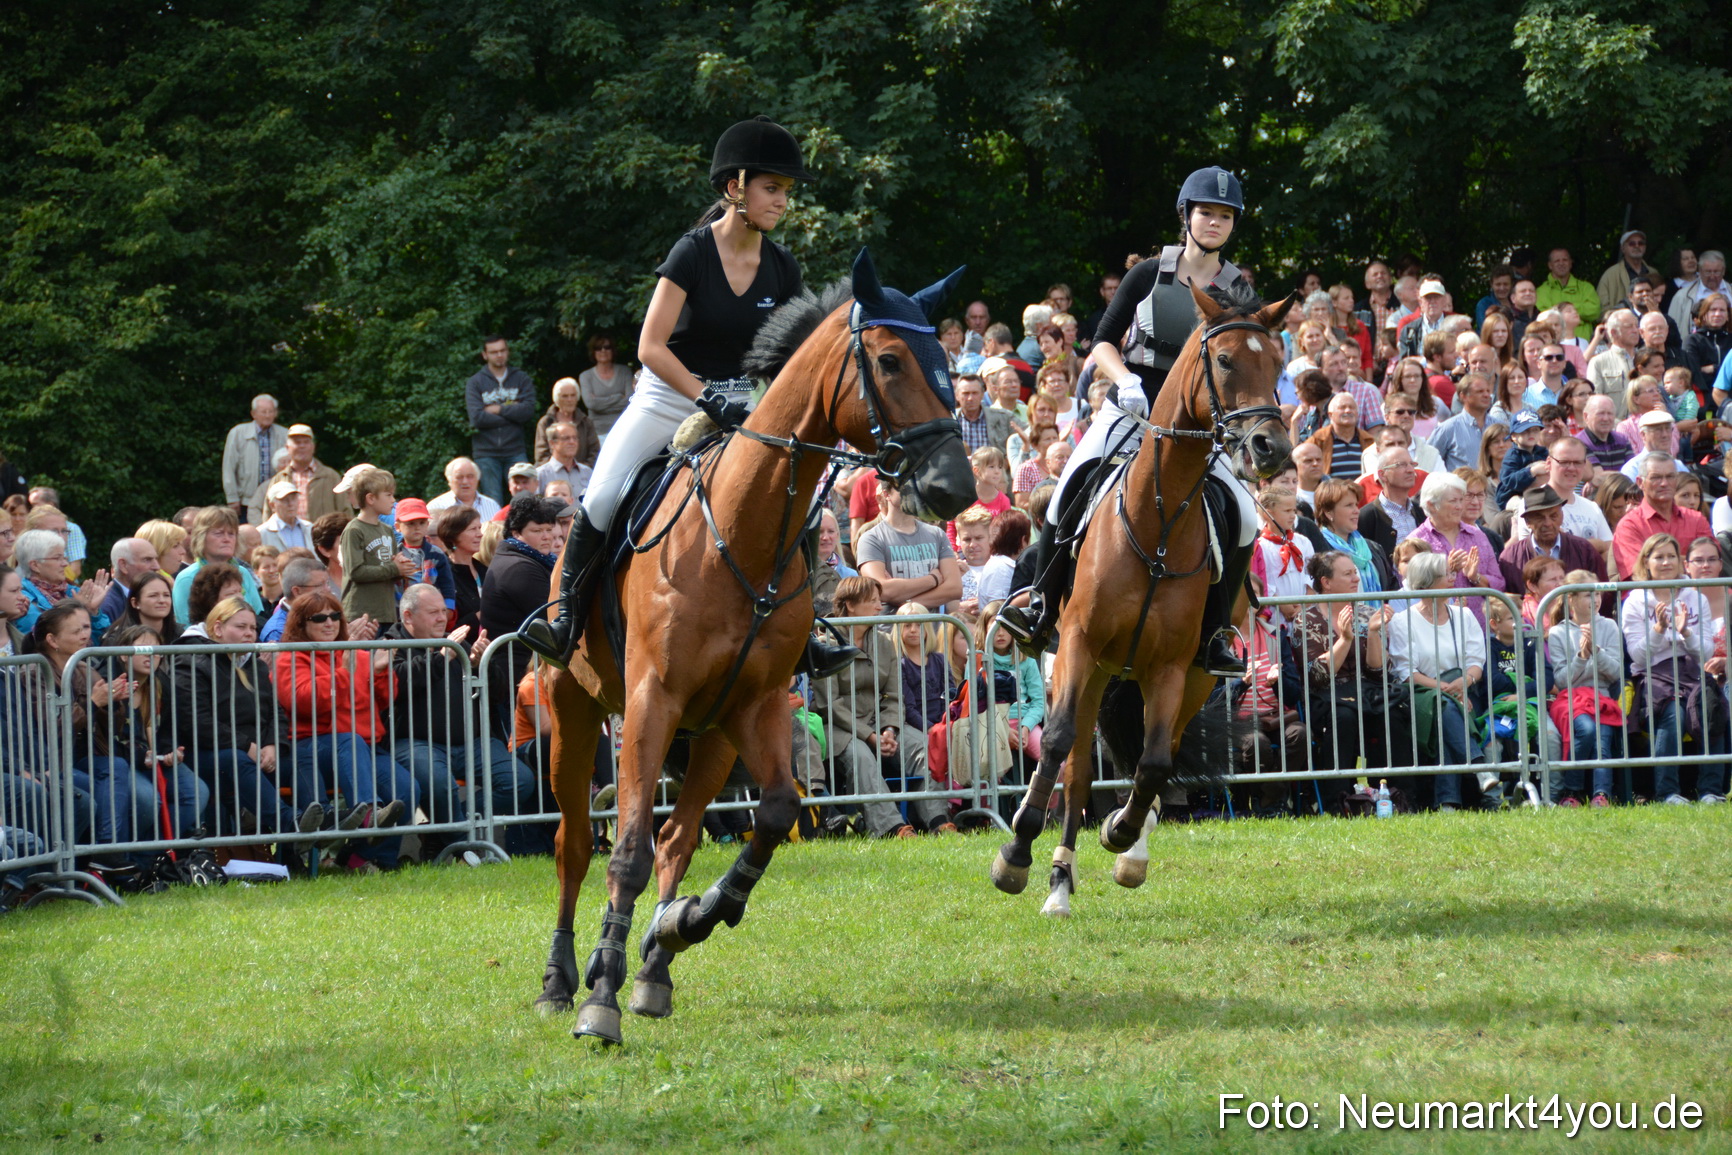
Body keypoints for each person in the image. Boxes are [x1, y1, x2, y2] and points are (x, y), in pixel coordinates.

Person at [518, 117, 860, 678]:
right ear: (735, 188)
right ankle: (565, 619)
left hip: (746, 405)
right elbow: (650, 346)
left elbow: (792, 359)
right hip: (670, 397)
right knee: (600, 498)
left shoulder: (782, 266)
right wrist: (706, 397)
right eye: (771, 188)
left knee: (793, 507)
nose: (782, 201)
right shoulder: (692, 253)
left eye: (785, 190)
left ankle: (806, 632)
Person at [1001, 166, 1258, 676]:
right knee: (1070, 484)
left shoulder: (1239, 290)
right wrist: (1124, 380)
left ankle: (1215, 634)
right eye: (1206, 212)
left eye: (1225, 216)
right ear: (1186, 214)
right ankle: (1040, 604)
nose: (1215, 222)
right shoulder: (1147, 274)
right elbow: (1101, 341)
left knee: (1246, 518)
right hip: (1134, 405)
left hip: (1196, 425)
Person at [386, 582, 537, 857]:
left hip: (472, 743)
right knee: (439, 783)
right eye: (433, 612)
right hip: (416, 743)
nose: (441, 618)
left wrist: (481, 665)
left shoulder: (456, 642)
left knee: (520, 781)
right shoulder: (391, 645)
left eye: (443, 611)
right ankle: (463, 845)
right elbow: (399, 682)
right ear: (407, 616)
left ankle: (442, 833)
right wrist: (442, 657)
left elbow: (497, 693)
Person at [272, 591, 412, 870]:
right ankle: (368, 812)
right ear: (301, 624)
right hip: (313, 748)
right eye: (319, 618)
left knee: (406, 789)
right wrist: (342, 674)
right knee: (349, 741)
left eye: (335, 616)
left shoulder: (355, 653)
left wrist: (381, 672)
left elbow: (385, 699)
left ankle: (365, 858)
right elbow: (302, 702)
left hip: (363, 747)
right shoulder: (290, 658)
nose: (329, 622)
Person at [802, 576, 951, 837]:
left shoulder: (883, 642)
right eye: (872, 601)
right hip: (837, 727)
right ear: (850, 605)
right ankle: (891, 828)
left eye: (879, 600)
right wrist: (870, 736)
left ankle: (939, 821)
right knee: (860, 754)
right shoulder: (825, 645)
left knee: (924, 747)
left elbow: (894, 696)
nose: (879, 607)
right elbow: (830, 705)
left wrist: (889, 730)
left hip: (881, 724)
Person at [171, 597, 323, 846]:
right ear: (218, 628)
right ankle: (289, 821)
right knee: (236, 759)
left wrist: (272, 745)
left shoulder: (254, 664)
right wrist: (246, 746)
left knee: (300, 756)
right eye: (240, 627)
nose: (249, 634)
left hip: (254, 751)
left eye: (252, 628)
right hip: (207, 754)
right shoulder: (191, 660)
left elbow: (275, 711)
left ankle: (321, 819)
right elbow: (197, 721)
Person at [1621, 533, 1727, 804]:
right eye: (1659, 557)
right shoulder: (1635, 600)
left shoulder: (1696, 597)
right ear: (1646, 562)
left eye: (1671, 556)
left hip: (1692, 671)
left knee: (1711, 707)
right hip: (1654, 674)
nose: (1666, 562)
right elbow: (1637, 655)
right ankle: (1667, 792)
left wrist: (1686, 632)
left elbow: (1705, 651)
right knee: (1673, 714)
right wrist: (1658, 629)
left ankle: (1711, 790)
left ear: (1680, 561)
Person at [1386, 551, 1492, 811]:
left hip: (1464, 692)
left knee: (1445, 714)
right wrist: (1446, 690)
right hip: (1422, 694)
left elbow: (1476, 662)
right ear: (1427, 583)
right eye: (1446, 575)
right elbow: (1407, 673)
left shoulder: (1464, 615)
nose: (1453, 578)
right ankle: (1479, 766)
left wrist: (1465, 682)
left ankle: (1447, 801)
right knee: (1443, 706)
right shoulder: (1402, 621)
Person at [1544, 571, 1626, 806]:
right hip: (1571, 699)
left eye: (1597, 594)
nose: (1595, 599)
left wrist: (1596, 652)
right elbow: (1562, 680)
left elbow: (1616, 672)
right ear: (1571, 599)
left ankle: (1602, 794)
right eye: (1588, 595)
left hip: (1602, 697)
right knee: (1587, 729)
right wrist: (1581, 656)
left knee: (1602, 737)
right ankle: (1572, 791)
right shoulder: (1558, 632)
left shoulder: (1609, 626)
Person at [1408, 472, 1506, 624]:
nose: (1460, 506)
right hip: (1436, 627)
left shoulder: (1477, 535)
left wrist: (1475, 577)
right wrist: (1448, 571)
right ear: (1431, 505)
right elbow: (1412, 589)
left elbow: (1499, 584)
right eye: (1453, 501)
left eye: (1461, 499)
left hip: (1479, 627)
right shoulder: (1417, 541)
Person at [855, 475, 963, 612]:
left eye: (915, 485)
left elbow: (954, 588)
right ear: (886, 494)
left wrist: (908, 605)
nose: (912, 490)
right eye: (903, 487)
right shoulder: (871, 539)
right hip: (890, 625)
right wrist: (932, 580)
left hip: (930, 625)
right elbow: (882, 590)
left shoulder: (937, 534)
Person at [1611, 453, 1711, 581]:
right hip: (1649, 594)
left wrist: (1657, 563)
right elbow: (1640, 572)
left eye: (1670, 477)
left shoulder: (1696, 519)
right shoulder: (1629, 525)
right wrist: (1690, 562)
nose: (1664, 483)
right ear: (1640, 482)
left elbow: (1710, 565)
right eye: (1656, 477)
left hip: (1695, 592)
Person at [464, 334, 536, 505]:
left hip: (515, 449)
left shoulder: (521, 378)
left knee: (524, 499)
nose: (499, 355)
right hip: (486, 452)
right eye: (494, 352)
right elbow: (477, 418)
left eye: (502, 350)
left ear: (507, 352)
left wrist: (498, 409)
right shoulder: (475, 382)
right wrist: (513, 414)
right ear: (485, 355)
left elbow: (527, 412)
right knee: (492, 501)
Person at [338, 467, 415, 625]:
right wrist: (394, 568)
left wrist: (403, 568)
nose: (393, 500)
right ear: (371, 498)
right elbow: (355, 572)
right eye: (388, 495)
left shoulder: (387, 530)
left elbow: (390, 569)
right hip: (360, 616)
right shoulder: (354, 530)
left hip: (386, 613)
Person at [170, 506, 263, 626]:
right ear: (201, 537)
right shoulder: (187, 578)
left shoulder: (243, 572)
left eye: (231, 534)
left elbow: (258, 617)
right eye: (219, 533)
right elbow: (185, 626)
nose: (227, 539)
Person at [12, 528, 110, 636]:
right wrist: (76, 611)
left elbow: (103, 641)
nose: (65, 564)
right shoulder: (24, 601)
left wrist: (92, 612)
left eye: (64, 558)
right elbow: (46, 641)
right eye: (57, 558)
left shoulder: (74, 592)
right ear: (35, 565)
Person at [1314, 479, 1395, 597]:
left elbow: (1390, 587)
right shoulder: (1317, 549)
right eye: (1349, 505)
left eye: (1356, 504)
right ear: (1328, 512)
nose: (1357, 511)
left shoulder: (1373, 548)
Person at [221, 394, 287, 524]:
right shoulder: (238, 433)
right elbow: (228, 468)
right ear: (253, 414)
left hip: (276, 498)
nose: (267, 415)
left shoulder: (284, 434)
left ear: (276, 413)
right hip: (245, 500)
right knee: (247, 534)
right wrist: (232, 498)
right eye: (263, 412)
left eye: (271, 411)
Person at [261, 424, 343, 523]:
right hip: (287, 532)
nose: (302, 446)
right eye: (297, 442)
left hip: (322, 533)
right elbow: (268, 513)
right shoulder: (278, 479)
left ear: (313, 447)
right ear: (287, 448)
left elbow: (344, 512)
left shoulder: (330, 477)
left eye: (306, 442)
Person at [1356, 447, 1422, 555]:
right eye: (1401, 465)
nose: (1410, 470)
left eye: (1412, 464)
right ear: (1382, 475)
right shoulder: (1367, 517)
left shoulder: (1422, 511)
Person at [953, 507, 1014, 621]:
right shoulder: (953, 571)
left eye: (978, 538)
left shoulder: (1003, 568)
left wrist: (985, 606)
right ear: (959, 540)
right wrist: (959, 608)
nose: (972, 544)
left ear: (991, 537)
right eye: (967, 539)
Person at [1429, 372, 1497, 471]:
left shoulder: (1499, 426)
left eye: (1488, 391)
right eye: (1480, 391)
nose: (1487, 395)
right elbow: (1429, 461)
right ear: (1463, 396)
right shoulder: (1448, 429)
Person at [533, 376, 600, 468]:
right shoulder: (546, 423)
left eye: (573, 395)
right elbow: (541, 455)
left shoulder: (586, 422)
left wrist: (581, 470)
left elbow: (595, 452)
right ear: (556, 399)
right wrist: (559, 471)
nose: (569, 400)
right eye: (565, 396)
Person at [1536, 248, 1600, 339]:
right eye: (1557, 261)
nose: (1561, 263)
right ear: (1550, 265)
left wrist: (1562, 309)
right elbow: (1546, 317)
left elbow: (1594, 311)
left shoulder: (1586, 287)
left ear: (1570, 263)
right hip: (1555, 343)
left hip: (1584, 343)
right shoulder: (1541, 291)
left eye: (1565, 260)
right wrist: (1578, 318)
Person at [103, 570, 181, 645]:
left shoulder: (180, 636)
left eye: (166, 595)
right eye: (153, 596)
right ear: (135, 603)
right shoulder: (117, 639)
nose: (162, 600)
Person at [1681, 293, 1731, 396]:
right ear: (1704, 314)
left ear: (1728, 316)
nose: (1717, 314)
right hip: (1702, 398)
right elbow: (1692, 373)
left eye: (1722, 310)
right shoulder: (1692, 340)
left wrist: (1713, 368)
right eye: (1713, 310)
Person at [1597, 230, 1656, 313]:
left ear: (1645, 247)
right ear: (1623, 248)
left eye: (1640, 243)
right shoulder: (1610, 274)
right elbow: (1602, 308)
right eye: (1632, 243)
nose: (1637, 246)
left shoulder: (1653, 273)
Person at [427, 456, 502, 521]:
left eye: (470, 476)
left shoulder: (492, 506)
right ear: (449, 480)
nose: (465, 482)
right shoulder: (435, 507)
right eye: (459, 477)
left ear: (477, 479)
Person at [536, 422, 594, 500]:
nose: (572, 442)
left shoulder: (587, 472)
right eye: (566, 438)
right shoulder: (541, 475)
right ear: (552, 443)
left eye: (575, 438)